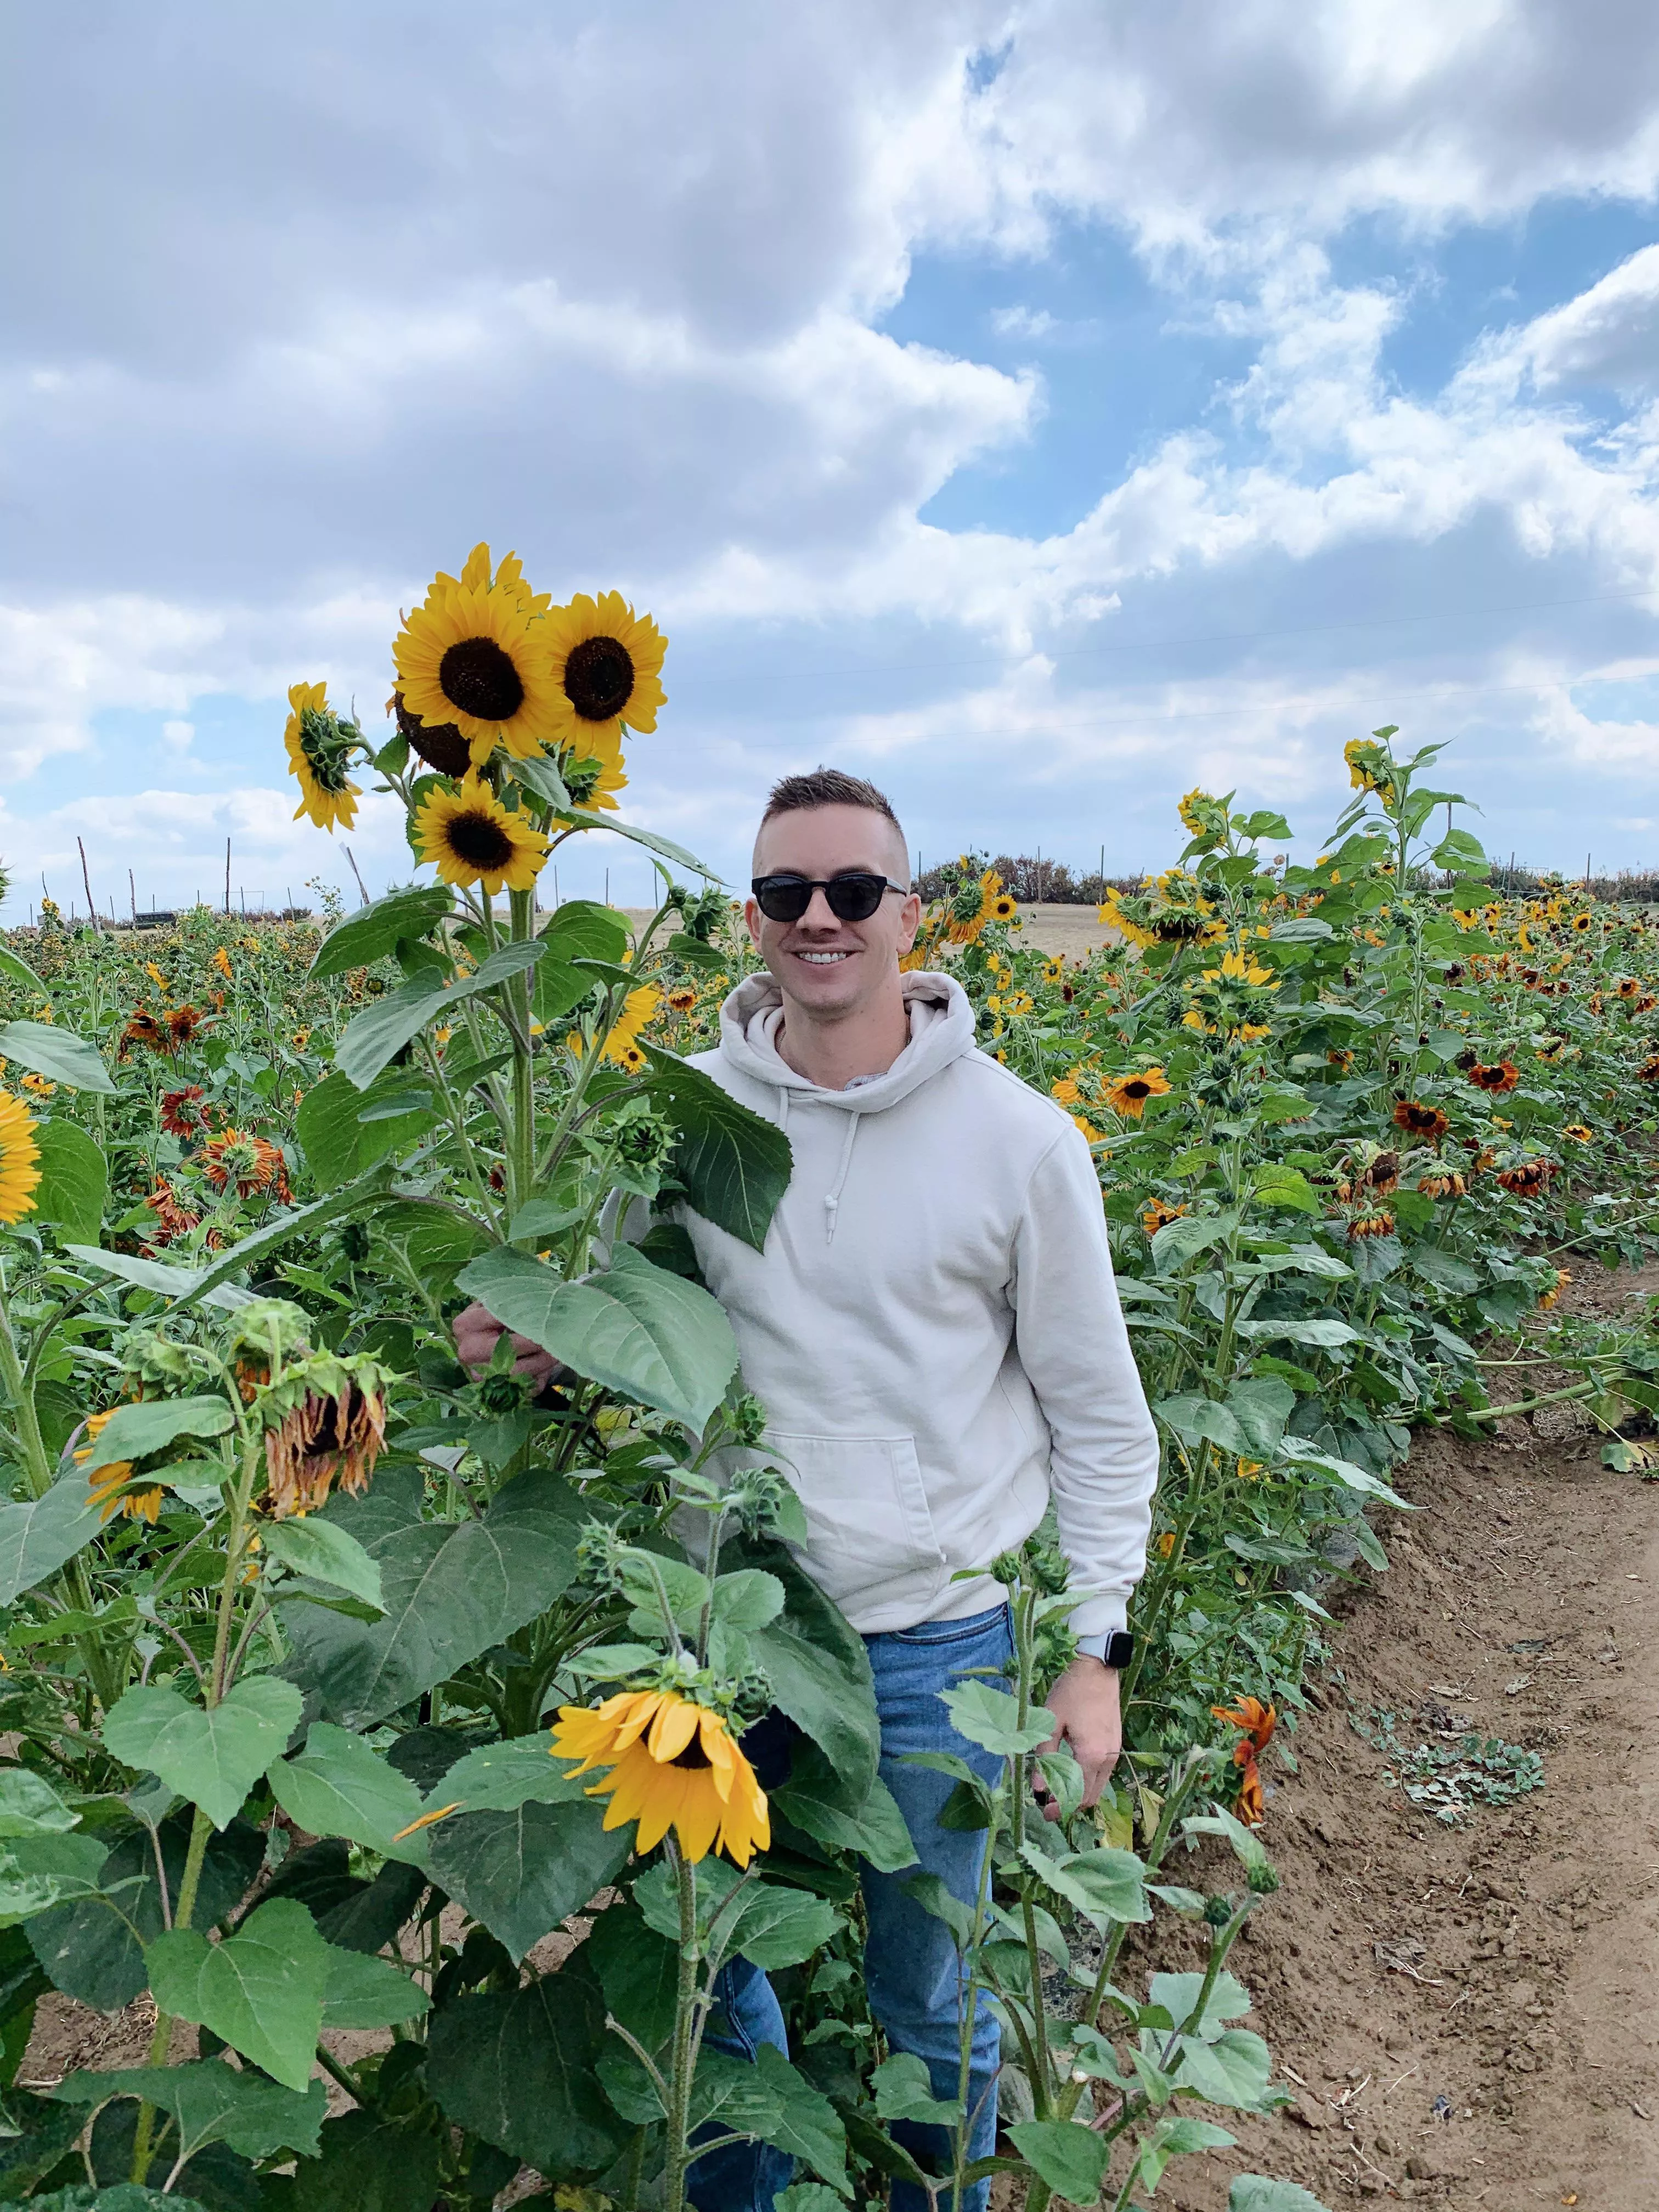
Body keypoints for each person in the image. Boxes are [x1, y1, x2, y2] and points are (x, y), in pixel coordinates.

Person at [455, 768, 1159, 2212]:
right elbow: (623, 1333)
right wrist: (535, 1339)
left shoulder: (1019, 1141)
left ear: (910, 913)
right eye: (787, 891)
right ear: (752, 917)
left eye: (851, 890)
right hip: (718, 1635)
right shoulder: (682, 1120)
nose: (819, 917)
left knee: (937, 2008)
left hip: (937, 1637)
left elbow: (1100, 1416)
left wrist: (1098, 1648)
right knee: (701, 1984)